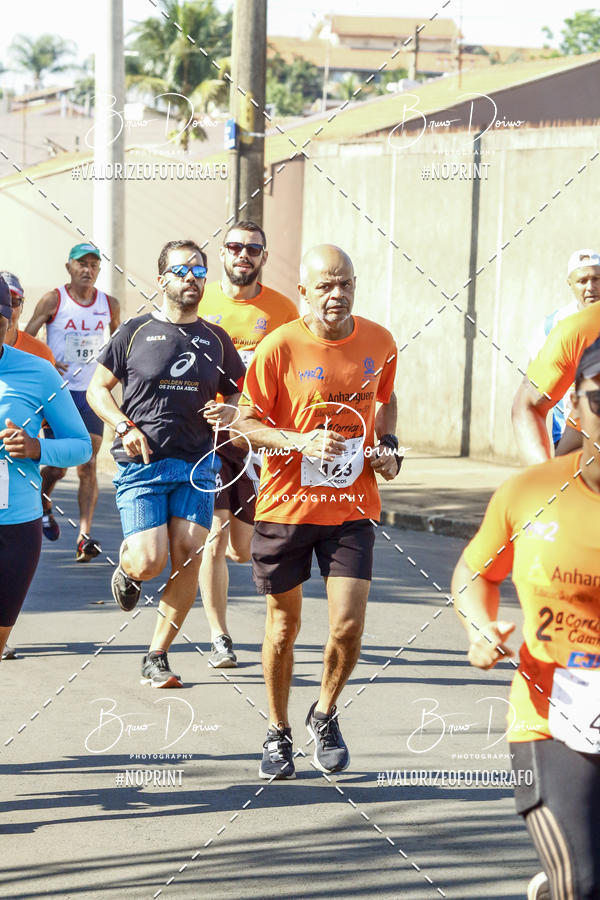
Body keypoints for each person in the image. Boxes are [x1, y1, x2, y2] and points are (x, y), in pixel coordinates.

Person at [234, 244, 402, 779]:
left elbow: (387, 401)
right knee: (284, 625)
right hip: (286, 507)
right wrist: (299, 441)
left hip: (352, 505)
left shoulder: (379, 341)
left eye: (345, 283)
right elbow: (243, 423)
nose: (337, 294)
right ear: (304, 292)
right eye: (325, 286)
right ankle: (278, 730)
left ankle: (325, 713)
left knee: (348, 624)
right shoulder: (279, 347)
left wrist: (388, 448)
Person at [453, 337, 600, 900]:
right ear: (576, 408)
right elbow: (475, 573)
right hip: (548, 721)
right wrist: (479, 629)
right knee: (582, 884)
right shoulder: (531, 493)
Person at [86, 239, 245, 689]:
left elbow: (236, 387)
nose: (190, 278)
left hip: (197, 465)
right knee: (150, 562)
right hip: (143, 464)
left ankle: (156, 655)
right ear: (161, 280)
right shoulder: (133, 332)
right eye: (181, 271)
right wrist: (122, 425)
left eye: (198, 271)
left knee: (190, 553)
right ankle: (128, 566)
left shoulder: (216, 339)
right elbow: (98, 389)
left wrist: (229, 411)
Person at [197, 220, 298, 668]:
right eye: (235, 247)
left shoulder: (282, 308)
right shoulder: (200, 301)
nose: (243, 255)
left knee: (242, 549)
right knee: (215, 539)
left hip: (256, 438)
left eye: (252, 249)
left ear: (263, 257)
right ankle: (220, 637)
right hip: (209, 435)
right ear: (222, 254)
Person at [0, 275, 92, 662]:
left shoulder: (38, 372)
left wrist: (37, 447)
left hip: (16, 525)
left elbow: (81, 447)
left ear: (8, 322)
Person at [25, 243, 120, 559]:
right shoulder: (54, 299)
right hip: (59, 393)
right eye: (82, 264)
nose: (87, 270)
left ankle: (84, 536)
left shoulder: (109, 305)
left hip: (91, 391)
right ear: (69, 267)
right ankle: (41, 502)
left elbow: (118, 344)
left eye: (93, 264)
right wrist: (49, 360)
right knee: (57, 466)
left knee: (88, 462)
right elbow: (26, 336)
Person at [0, 270, 56, 660]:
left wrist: (36, 448)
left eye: (18, 302)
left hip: (16, 510)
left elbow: (76, 442)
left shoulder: (37, 360)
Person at [512, 270, 600, 465]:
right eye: (583, 281)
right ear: (570, 284)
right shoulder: (565, 327)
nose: (590, 287)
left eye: (596, 279)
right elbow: (527, 404)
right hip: (566, 425)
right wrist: (546, 481)